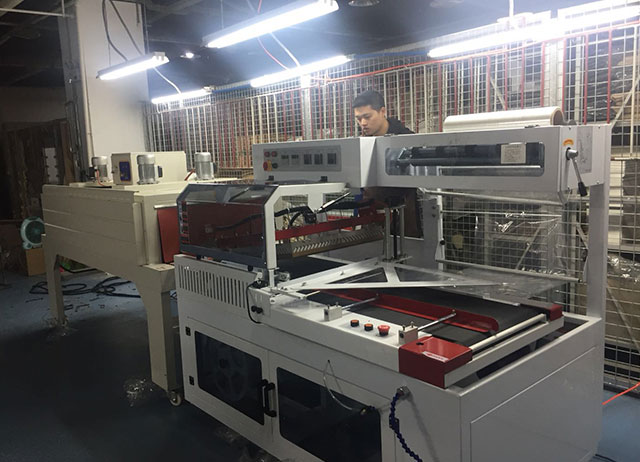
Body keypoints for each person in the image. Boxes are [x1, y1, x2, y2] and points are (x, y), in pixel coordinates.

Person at [352, 90, 421, 237]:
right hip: (373, 213)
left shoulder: (406, 139)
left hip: (404, 211)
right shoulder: (362, 143)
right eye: (358, 119)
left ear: (382, 111)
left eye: (367, 117)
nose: (363, 123)